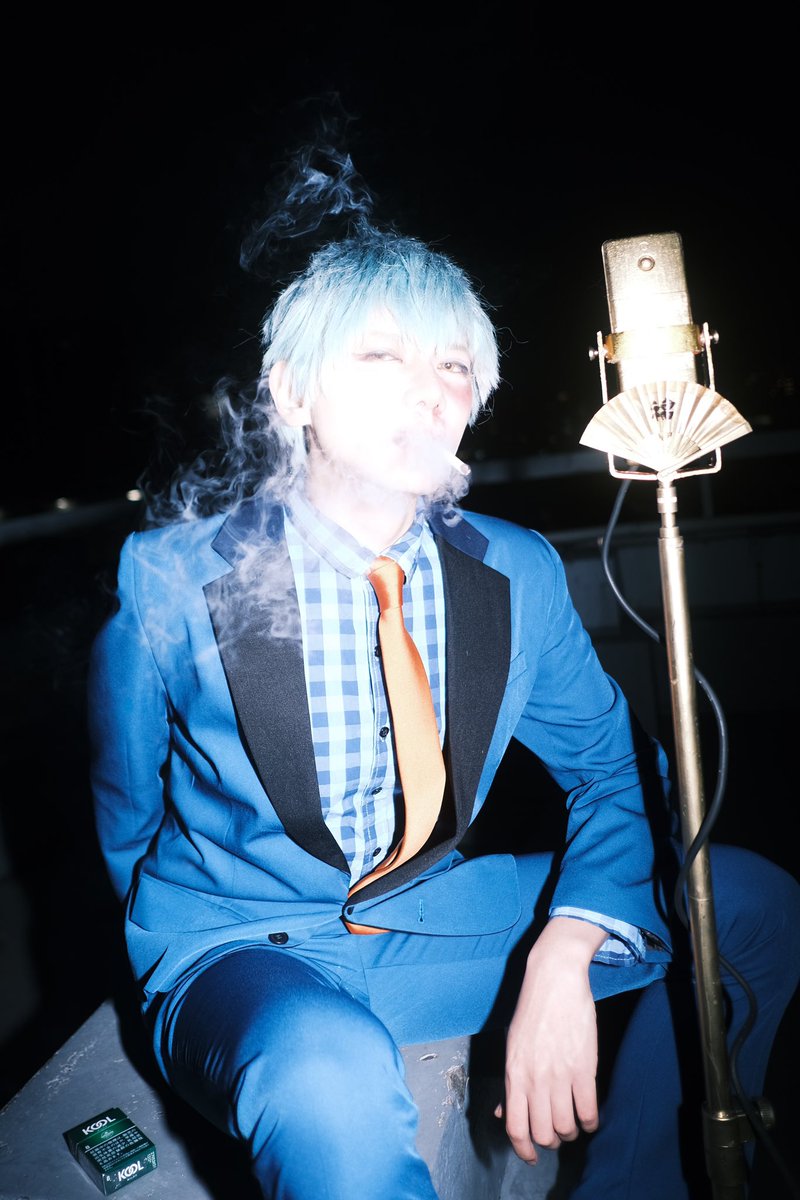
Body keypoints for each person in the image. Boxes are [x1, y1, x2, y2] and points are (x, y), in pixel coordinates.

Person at [88, 149, 800, 1200]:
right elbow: (125, 818)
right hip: (243, 955)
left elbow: (618, 773)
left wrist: (567, 945)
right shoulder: (171, 580)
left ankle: (636, 1183)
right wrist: (194, 962)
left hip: (442, 931)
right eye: (381, 356)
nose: (430, 392)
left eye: (455, 367)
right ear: (291, 391)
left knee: (746, 899)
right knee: (325, 1071)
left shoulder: (512, 571)